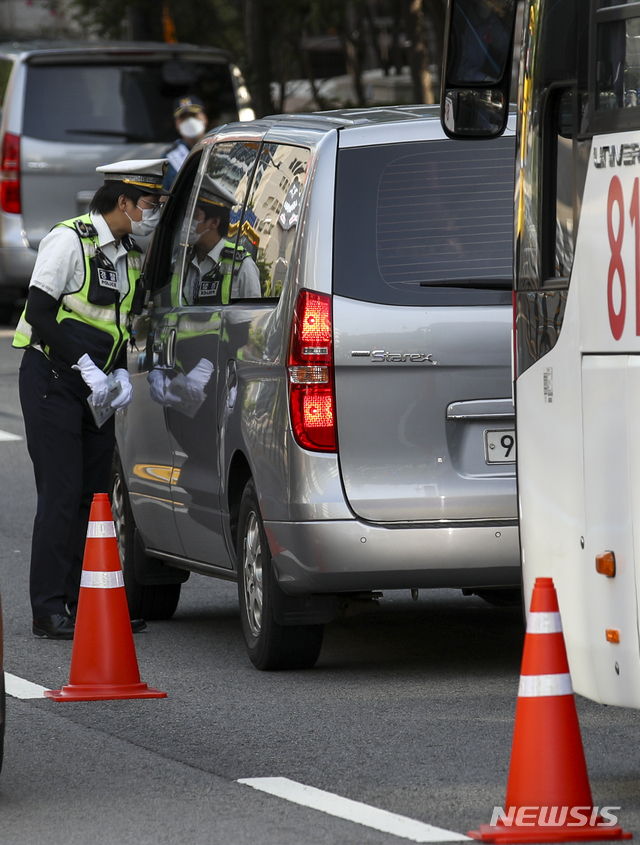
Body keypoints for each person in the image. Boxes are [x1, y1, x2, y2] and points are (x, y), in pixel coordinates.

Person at [13, 159, 169, 639]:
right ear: (122, 201)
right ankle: (48, 609)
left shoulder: (130, 253)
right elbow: (40, 313)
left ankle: (87, 603)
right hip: (53, 380)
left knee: (94, 497)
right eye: (148, 204)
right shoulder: (70, 239)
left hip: (97, 390)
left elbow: (122, 324)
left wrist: (119, 371)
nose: (152, 213)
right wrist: (84, 364)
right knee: (61, 496)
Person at [183, 174, 261, 306]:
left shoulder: (243, 265)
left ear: (214, 222)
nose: (187, 222)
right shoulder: (182, 261)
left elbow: (253, 319)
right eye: (186, 215)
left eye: (194, 215)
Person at [163, 95, 208, 190]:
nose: (190, 121)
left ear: (204, 118)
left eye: (193, 115)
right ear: (177, 124)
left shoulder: (220, 148)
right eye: (184, 118)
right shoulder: (169, 157)